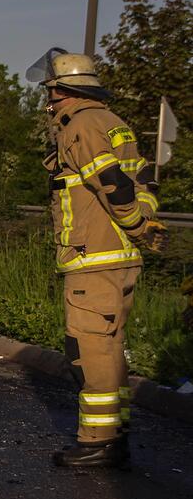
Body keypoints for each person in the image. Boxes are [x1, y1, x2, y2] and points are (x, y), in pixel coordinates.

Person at [27, 47, 166, 468]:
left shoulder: (80, 127)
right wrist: (144, 225)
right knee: (110, 348)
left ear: (61, 90)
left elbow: (111, 185)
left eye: (49, 92)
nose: (48, 102)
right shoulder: (114, 123)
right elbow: (143, 182)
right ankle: (116, 432)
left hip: (95, 257)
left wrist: (136, 224)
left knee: (88, 351)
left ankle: (98, 441)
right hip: (120, 258)